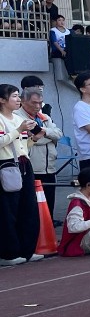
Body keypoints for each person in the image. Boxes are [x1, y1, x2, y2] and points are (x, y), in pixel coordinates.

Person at [0, 84, 42, 265]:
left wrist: (34, 138)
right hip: (6, 165)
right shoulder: (2, 119)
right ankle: (8, 253)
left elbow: (22, 145)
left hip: (24, 164)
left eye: (18, 96)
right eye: (15, 96)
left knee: (28, 207)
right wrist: (18, 130)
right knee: (8, 210)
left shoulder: (18, 118)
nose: (18, 100)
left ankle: (27, 249)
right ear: (2, 100)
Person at [19, 86, 62, 212]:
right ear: (23, 101)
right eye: (34, 103)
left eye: (40, 103)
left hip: (49, 166)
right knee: (32, 205)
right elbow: (29, 140)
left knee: (49, 202)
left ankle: (50, 222)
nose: (38, 106)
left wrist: (44, 131)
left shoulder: (44, 117)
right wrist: (49, 136)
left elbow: (59, 134)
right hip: (32, 166)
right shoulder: (18, 117)